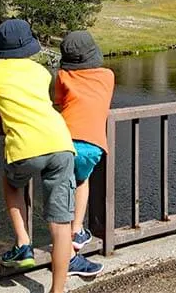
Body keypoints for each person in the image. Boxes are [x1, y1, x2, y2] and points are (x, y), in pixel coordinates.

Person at [0, 19, 102, 293]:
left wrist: (7, 115)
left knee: (12, 183)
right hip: (60, 142)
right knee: (60, 225)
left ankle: (23, 243)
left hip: (25, 146)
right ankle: (57, 290)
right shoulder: (40, 71)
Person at [53, 31, 114, 251]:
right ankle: (77, 230)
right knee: (82, 181)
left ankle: (62, 241)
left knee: (62, 190)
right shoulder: (108, 75)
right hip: (93, 144)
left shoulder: (62, 76)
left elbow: (59, 104)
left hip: (63, 142)